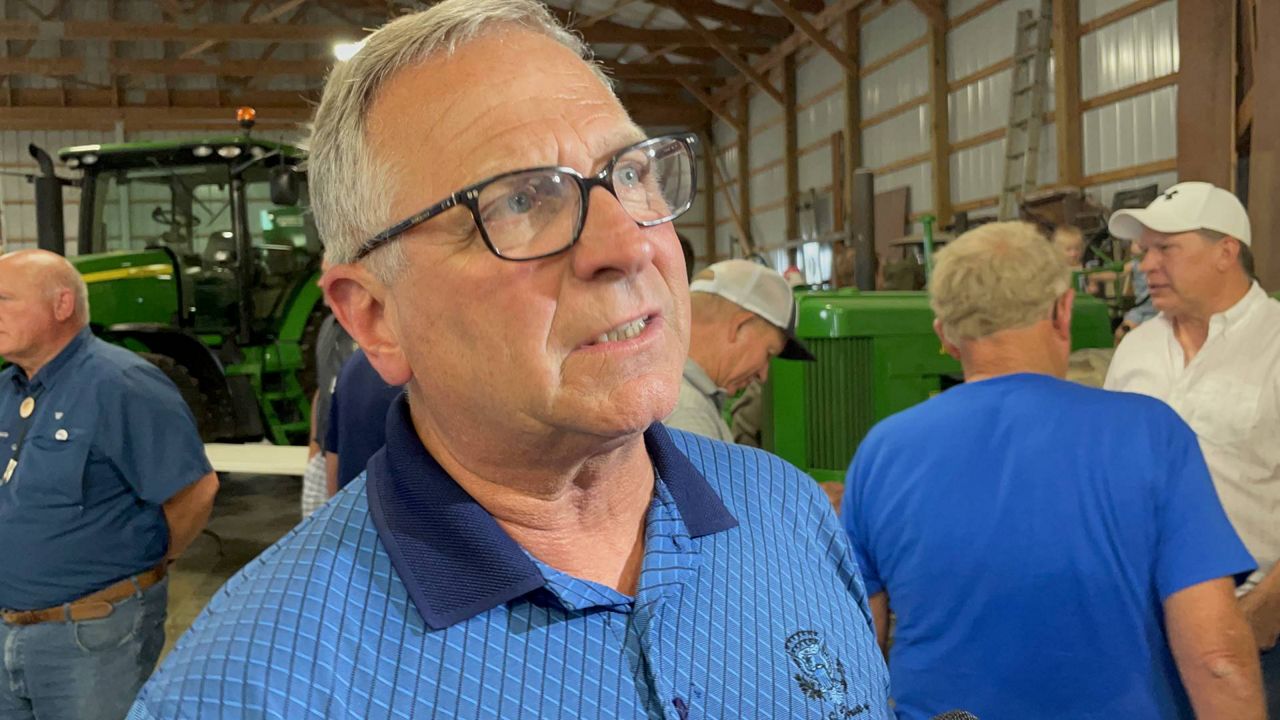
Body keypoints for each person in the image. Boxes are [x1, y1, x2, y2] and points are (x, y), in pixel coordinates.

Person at [128, 3, 891, 718]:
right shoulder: (254, 686)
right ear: (376, 317)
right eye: (521, 202)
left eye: (630, 172)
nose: (628, 245)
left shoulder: (783, 511)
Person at [842, 221, 1264, 719]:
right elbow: (1216, 657)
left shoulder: (883, 452)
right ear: (1062, 311)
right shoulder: (1150, 435)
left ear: (946, 337)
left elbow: (854, 648)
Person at [0, 250, 219, 720]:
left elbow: (194, 492)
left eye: (5, 300)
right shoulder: (8, 389)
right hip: (8, 634)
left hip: (89, 638)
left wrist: (146, 568)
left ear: (62, 306)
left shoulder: (123, 384)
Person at [1104, 181, 1280, 714]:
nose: (1146, 265)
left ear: (1227, 251)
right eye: (1144, 251)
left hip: (1256, 620)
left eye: (1167, 248)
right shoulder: (1136, 348)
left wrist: (1266, 608)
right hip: (1143, 619)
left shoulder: (1275, 344)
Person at [665, 259, 815, 441]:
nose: (763, 375)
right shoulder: (688, 415)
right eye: (768, 353)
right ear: (740, 326)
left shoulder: (674, 392)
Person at [323, 349, 403, 494]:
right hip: (398, 509)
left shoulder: (351, 365)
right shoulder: (416, 370)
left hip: (354, 505)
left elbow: (333, 453)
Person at [301, 310, 357, 517]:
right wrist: (314, 446)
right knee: (316, 540)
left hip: (358, 464)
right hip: (323, 460)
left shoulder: (380, 329)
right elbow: (323, 389)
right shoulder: (328, 327)